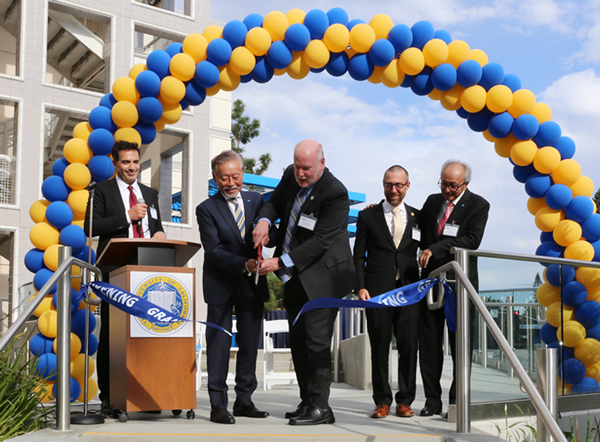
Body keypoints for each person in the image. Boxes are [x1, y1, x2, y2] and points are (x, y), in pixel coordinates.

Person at [253, 139, 355, 426]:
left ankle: (321, 407)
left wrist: (279, 262)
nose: (300, 174)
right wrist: (263, 220)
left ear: (322, 163)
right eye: (297, 167)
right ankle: (308, 400)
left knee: (316, 342)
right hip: (296, 277)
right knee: (298, 341)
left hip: (324, 278)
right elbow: (273, 202)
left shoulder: (336, 193)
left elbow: (320, 242)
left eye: (306, 168)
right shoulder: (290, 175)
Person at [84, 140, 166, 412]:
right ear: (115, 163)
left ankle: (148, 395)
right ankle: (110, 396)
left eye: (135, 161)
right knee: (114, 334)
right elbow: (91, 227)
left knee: (146, 332)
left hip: (146, 270)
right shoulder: (101, 191)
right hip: (115, 271)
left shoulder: (150, 193)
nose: (132, 167)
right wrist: (126, 216)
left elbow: (157, 225)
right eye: (126, 162)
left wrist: (159, 234)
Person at [195, 150, 271, 424]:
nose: (230, 182)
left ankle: (245, 400)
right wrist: (244, 264)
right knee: (219, 344)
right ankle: (218, 404)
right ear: (215, 178)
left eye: (235, 176)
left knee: (250, 342)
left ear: (242, 174)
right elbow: (213, 250)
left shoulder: (256, 200)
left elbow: (267, 236)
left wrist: (266, 236)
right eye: (224, 177)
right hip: (220, 283)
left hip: (252, 284)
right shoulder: (206, 208)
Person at [418, 160, 490, 417]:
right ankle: (432, 401)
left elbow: (472, 239)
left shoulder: (479, 205)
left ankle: (456, 402)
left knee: (460, 344)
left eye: (453, 185)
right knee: (428, 343)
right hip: (430, 284)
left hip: (458, 283)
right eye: (444, 183)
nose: (447, 189)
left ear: (466, 184)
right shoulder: (431, 201)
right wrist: (381, 210)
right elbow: (416, 222)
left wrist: (434, 249)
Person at [353, 165, 421, 419]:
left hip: (409, 292)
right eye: (388, 185)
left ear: (407, 186)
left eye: (398, 185)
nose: (393, 190)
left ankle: (405, 401)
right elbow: (358, 255)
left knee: (408, 347)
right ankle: (382, 401)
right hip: (377, 293)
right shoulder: (367, 216)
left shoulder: (418, 216)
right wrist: (360, 286)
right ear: (383, 185)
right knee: (379, 348)